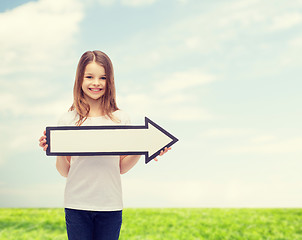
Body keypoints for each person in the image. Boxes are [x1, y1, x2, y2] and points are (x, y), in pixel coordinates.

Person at [38, 50, 170, 240]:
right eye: (89, 77)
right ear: (79, 80)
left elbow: (121, 168)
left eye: (103, 77)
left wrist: (143, 146)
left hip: (110, 205)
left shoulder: (120, 119)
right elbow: (64, 171)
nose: (96, 83)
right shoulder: (68, 119)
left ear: (110, 81)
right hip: (76, 205)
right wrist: (55, 147)